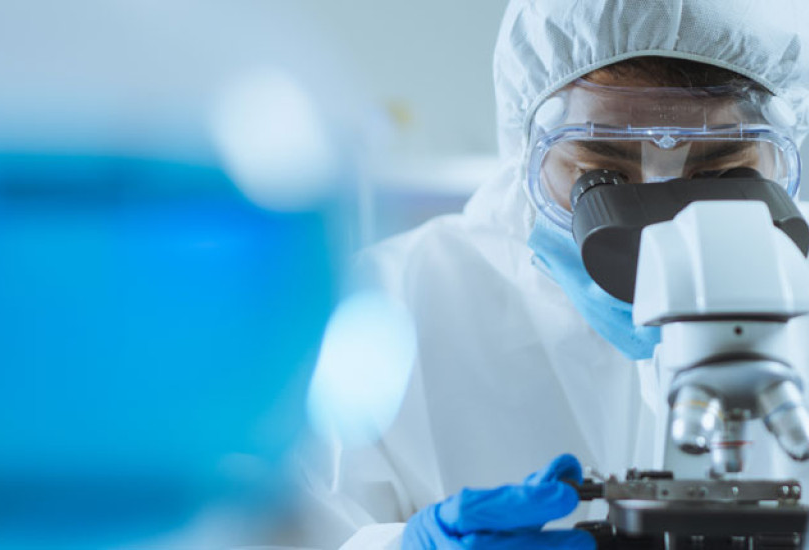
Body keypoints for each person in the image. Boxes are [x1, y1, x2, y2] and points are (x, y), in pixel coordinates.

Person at [297, 1, 809, 548]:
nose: (663, 227)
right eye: (601, 175)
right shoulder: (389, 303)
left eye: (725, 174)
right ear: (525, 149)